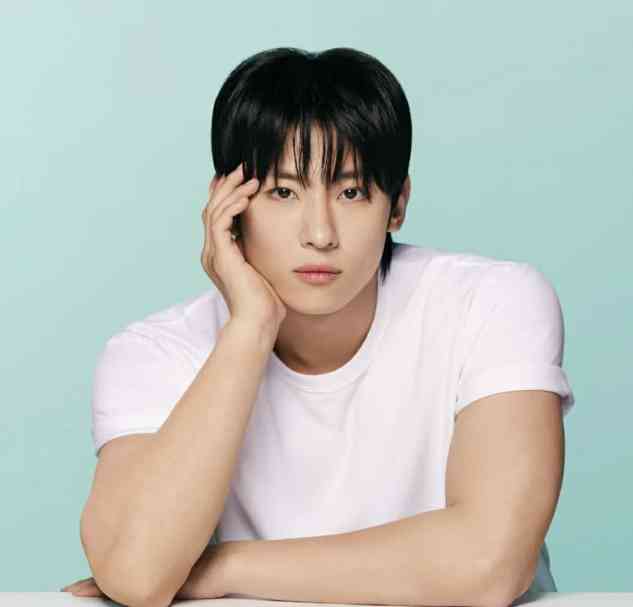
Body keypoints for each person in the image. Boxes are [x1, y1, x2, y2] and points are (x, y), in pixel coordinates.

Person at [78, 47, 575, 605]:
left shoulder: (492, 302)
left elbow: (489, 564)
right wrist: (250, 328)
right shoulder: (153, 352)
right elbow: (139, 574)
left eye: (351, 192)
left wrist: (217, 567)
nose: (319, 234)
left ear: (397, 204)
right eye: (283, 192)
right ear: (227, 204)